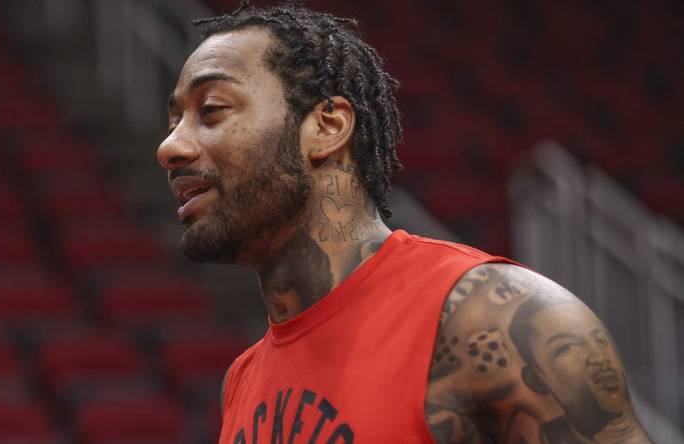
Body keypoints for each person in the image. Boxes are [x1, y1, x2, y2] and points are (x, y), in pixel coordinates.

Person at [155, 2, 652, 442]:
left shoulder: (496, 321)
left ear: (326, 128)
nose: (170, 146)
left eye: (212, 109)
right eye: (174, 120)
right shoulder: (241, 380)